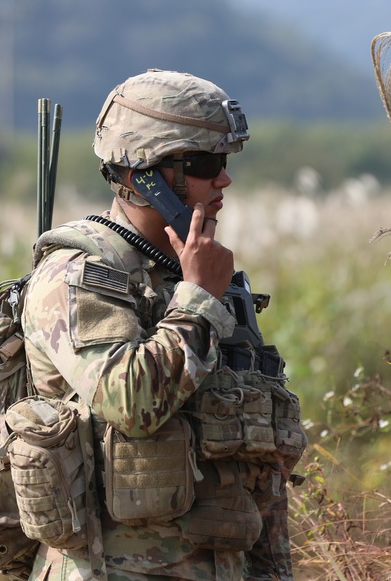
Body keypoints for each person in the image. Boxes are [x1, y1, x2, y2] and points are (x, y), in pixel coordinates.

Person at [22, 69, 304, 581]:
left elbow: (257, 472)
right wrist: (197, 301)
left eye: (223, 162)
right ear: (142, 175)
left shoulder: (198, 276)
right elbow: (128, 402)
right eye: (203, 164)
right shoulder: (77, 274)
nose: (223, 180)